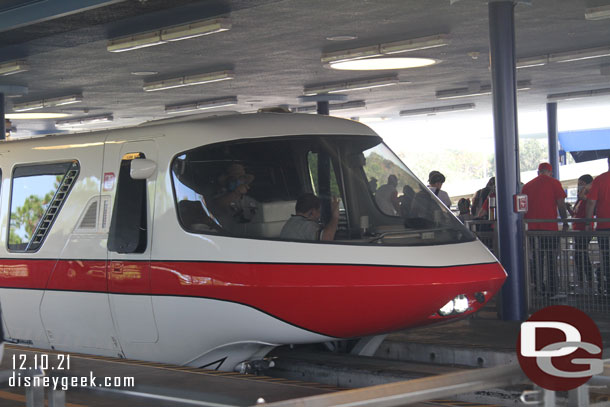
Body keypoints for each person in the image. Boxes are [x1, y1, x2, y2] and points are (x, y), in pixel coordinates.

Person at [522, 162, 569, 297]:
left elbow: (523, 208)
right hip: (550, 228)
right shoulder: (554, 183)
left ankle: (538, 288)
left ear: (538, 172)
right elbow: (561, 204)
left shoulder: (527, 186)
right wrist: (565, 223)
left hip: (531, 229)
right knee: (551, 258)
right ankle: (553, 290)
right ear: (550, 172)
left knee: (537, 258)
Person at [586, 155, 610, 295]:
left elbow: (590, 202)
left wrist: (588, 222)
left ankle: (608, 288)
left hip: (604, 227)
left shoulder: (600, 180)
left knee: (606, 257)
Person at [213, 163, 258, 232]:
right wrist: (235, 192)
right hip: (225, 235)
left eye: (240, 178)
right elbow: (216, 205)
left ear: (244, 181)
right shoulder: (220, 196)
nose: (237, 181)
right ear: (227, 181)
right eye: (233, 179)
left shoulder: (250, 201)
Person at [572, 174, 594, 292]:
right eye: (579, 183)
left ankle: (589, 283)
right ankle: (581, 283)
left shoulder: (588, 196)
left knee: (581, 255)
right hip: (577, 229)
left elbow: (590, 204)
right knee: (579, 256)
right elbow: (576, 214)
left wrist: (585, 191)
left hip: (585, 230)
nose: (580, 186)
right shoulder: (579, 199)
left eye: (582, 183)